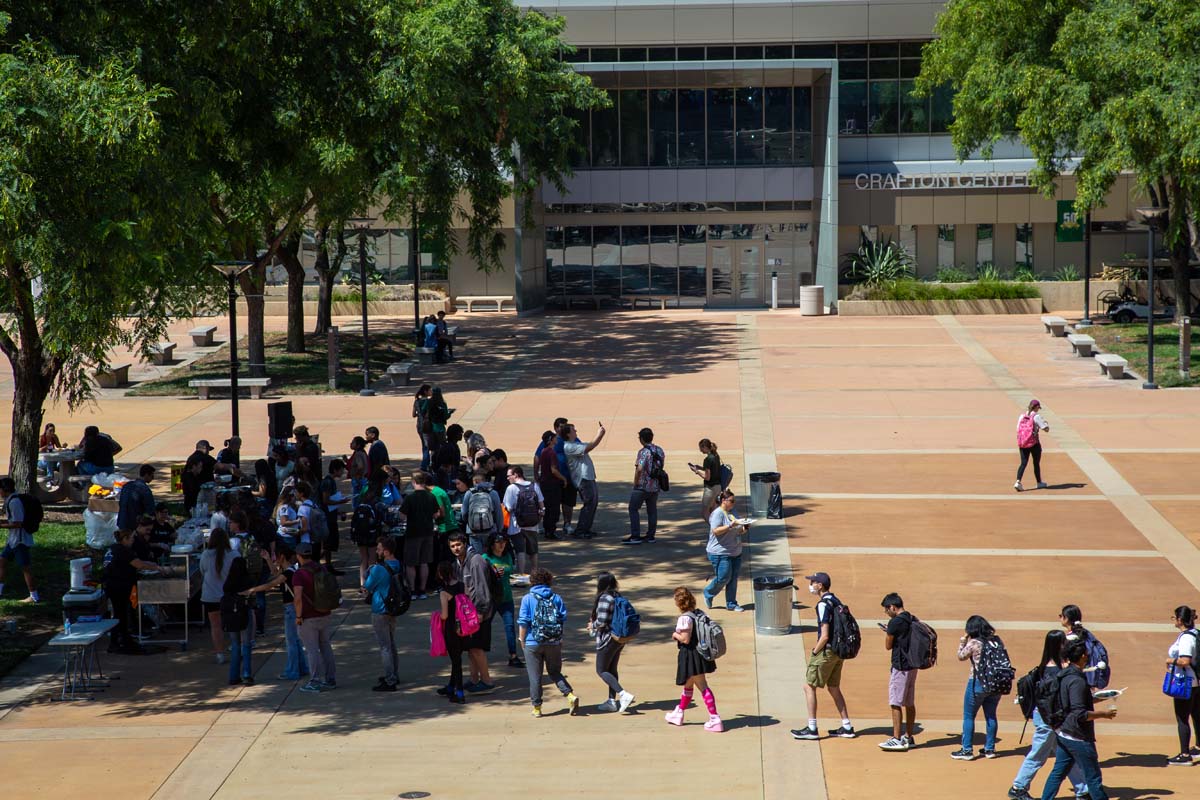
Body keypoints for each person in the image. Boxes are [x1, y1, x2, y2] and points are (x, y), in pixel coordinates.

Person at [1008, 630, 1086, 800]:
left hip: (1050, 717)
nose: (1067, 644)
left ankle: (1083, 790)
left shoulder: (1048, 666)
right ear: (1058, 645)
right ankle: (1018, 787)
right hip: (1048, 719)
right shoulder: (1055, 669)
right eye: (1064, 642)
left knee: (1066, 753)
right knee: (1039, 753)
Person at [1038, 640, 1117, 800]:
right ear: (1082, 657)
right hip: (1078, 736)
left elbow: (1070, 702)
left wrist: (1095, 699)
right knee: (1093, 778)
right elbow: (1080, 713)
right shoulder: (1077, 680)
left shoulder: (1063, 675)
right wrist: (1104, 714)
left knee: (1058, 772)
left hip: (1063, 732)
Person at [791, 572, 855, 740]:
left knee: (809, 687)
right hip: (838, 652)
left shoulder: (822, 605)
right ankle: (846, 726)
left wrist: (814, 652)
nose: (810, 585)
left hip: (826, 651)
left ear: (820, 585)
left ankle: (812, 728)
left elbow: (825, 635)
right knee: (833, 687)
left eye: (813, 582)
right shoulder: (836, 600)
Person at [242, 542, 309, 681]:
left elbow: (270, 584)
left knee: (291, 642)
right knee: (295, 641)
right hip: (291, 609)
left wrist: (251, 590)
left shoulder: (288, 573)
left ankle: (292, 671)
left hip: (290, 610)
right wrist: (266, 559)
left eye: (275, 556)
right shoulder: (289, 570)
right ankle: (302, 668)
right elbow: (274, 574)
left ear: (282, 557)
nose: (274, 558)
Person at [517, 567, 578, 718]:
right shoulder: (556, 598)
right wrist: (559, 638)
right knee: (555, 672)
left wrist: (522, 639)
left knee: (535, 677)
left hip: (533, 642)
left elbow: (523, 622)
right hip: (553, 641)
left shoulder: (527, 598)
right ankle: (570, 696)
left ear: (532, 581)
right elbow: (561, 619)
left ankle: (537, 708)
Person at [665, 586, 722, 732]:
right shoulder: (697, 613)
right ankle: (679, 713)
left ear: (678, 603)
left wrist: (675, 635)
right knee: (688, 686)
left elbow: (685, 639)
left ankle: (715, 718)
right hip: (698, 655)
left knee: (702, 686)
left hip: (691, 656)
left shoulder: (684, 618)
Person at [104, 528, 168, 653]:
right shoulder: (123, 550)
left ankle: (122, 638)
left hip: (112, 585)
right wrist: (158, 567)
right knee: (120, 614)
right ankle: (117, 641)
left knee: (120, 613)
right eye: (132, 538)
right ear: (125, 539)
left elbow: (137, 562)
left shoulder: (114, 548)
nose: (133, 540)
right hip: (118, 586)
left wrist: (151, 564)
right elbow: (139, 565)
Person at [951, 614, 1002, 760]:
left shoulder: (974, 643)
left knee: (969, 716)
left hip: (977, 682)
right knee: (991, 715)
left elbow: (961, 656)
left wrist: (962, 641)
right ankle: (989, 749)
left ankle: (967, 750)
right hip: (996, 683)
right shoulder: (996, 641)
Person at [449, 532, 495, 693]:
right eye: (453, 546)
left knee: (477, 648)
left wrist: (481, 612)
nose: (456, 548)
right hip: (468, 614)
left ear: (465, 544)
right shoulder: (457, 563)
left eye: (458, 545)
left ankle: (487, 682)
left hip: (480, 612)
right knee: (469, 648)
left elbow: (482, 588)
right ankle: (474, 679)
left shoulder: (476, 561)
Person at [588, 572, 636, 713]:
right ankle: (611, 701)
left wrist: (592, 626)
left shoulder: (604, 598)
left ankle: (623, 694)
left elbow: (602, 621)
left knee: (601, 670)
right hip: (619, 638)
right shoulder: (617, 596)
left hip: (608, 639)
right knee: (611, 669)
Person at [294, 544, 336, 693]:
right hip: (324, 613)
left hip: (308, 617)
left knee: (312, 650)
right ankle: (330, 679)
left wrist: (298, 616)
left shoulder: (299, 574)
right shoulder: (321, 568)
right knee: (325, 646)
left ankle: (315, 681)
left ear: (299, 556)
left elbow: (298, 597)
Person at [878, 593, 918, 751]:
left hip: (900, 666)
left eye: (886, 610)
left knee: (895, 702)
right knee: (909, 702)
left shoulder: (895, 622)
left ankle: (896, 738)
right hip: (912, 665)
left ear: (892, 607)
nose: (886, 613)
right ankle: (909, 736)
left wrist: (889, 632)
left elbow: (888, 645)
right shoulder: (912, 618)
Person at [364, 535, 403, 692]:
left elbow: (367, 586)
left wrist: (369, 572)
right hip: (393, 608)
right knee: (392, 644)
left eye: (379, 549)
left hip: (380, 609)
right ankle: (394, 674)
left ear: (386, 552)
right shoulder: (398, 564)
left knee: (385, 647)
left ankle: (390, 678)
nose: (377, 551)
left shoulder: (378, 569)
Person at [703, 489, 748, 612]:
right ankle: (708, 592)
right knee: (723, 577)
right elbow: (716, 531)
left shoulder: (733, 512)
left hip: (735, 551)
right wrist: (730, 526)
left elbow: (739, 530)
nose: (733, 503)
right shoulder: (718, 513)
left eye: (734, 501)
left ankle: (731, 603)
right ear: (723, 501)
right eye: (731, 501)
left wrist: (744, 527)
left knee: (733, 579)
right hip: (719, 553)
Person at [1166, 605, 1200, 766]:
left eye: (1174, 617)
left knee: (1182, 719)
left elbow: (1185, 661)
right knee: (1196, 714)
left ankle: (1185, 754)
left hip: (1185, 683)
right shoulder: (1196, 634)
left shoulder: (1186, 638)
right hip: (1196, 682)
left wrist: (1170, 661)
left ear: (1180, 620)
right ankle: (1198, 747)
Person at [483, 533, 522, 668]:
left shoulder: (507, 556)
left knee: (510, 627)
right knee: (485, 626)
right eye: (498, 542)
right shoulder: (485, 558)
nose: (501, 545)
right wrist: (493, 574)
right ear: (492, 544)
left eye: (504, 542)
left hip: (506, 598)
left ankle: (513, 656)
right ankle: (480, 653)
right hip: (491, 599)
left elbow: (510, 571)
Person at [399, 471, 441, 598]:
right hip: (428, 532)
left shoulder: (410, 498)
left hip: (413, 533)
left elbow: (402, 516)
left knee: (411, 563)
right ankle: (422, 590)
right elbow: (436, 514)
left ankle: (412, 590)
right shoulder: (431, 496)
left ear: (413, 482)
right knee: (424, 562)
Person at [563, 421, 605, 538]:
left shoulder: (574, 444)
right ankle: (581, 530)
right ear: (568, 434)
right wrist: (600, 434)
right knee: (589, 502)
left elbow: (588, 446)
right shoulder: (568, 446)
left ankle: (586, 528)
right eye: (573, 430)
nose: (576, 431)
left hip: (588, 477)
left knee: (593, 503)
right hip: (583, 478)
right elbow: (589, 447)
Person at [199, 528, 236, 663]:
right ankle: (236, 648)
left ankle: (219, 653)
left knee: (215, 625)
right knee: (233, 624)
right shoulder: (233, 554)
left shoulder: (206, 555)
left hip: (210, 596)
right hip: (229, 595)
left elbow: (202, 570)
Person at [221, 549, 256, 685]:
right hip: (244, 613)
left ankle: (233, 675)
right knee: (246, 644)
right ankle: (247, 674)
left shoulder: (228, 584)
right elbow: (252, 598)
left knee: (235, 645)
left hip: (230, 615)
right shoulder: (248, 581)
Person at [0, 479, 37, 604]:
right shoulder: (11, 500)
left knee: (25, 568)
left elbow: (18, 523)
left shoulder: (14, 502)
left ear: (5, 490)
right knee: (1, 563)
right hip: (13, 540)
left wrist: (2, 526)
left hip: (20, 541)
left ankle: (34, 596)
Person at [436, 560, 468, 704]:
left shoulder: (444, 593)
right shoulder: (462, 585)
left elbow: (444, 615)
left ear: (441, 575)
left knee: (456, 662)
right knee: (457, 658)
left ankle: (459, 693)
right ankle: (450, 687)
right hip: (464, 627)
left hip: (451, 629)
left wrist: (436, 616)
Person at [626, 427, 665, 544]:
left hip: (642, 486)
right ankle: (651, 535)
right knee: (652, 511)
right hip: (655, 486)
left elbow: (639, 469)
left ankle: (635, 536)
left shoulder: (643, 452)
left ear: (642, 439)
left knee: (633, 509)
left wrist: (635, 482)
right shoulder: (659, 450)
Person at [502, 465, 544, 574]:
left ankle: (521, 574)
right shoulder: (534, 486)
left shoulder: (511, 488)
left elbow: (509, 507)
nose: (507, 478)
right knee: (533, 550)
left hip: (516, 525)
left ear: (515, 475)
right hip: (533, 524)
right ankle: (534, 572)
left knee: (520, 550)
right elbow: (541, 504)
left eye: (509, 476)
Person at [461, 469, 503, 556]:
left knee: (477, 556)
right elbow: (498, 513)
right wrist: (499, 529)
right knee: (490, 556)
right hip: (490, 529)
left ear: (474, 481)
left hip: (473, 531)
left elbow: (464, 513)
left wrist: (469, 523)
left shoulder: (469, 493)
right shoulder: (493, 493)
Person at [536, 430, 565, 540]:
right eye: (554, 438)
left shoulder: (544, 451)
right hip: (552, 485)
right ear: (551, 440)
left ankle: (547, 529)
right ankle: (551, 531)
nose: (556, 439)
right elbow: (553, 470)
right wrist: (563, 478)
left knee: (547, 508)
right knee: (554, 509)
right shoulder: (551, 452)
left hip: (545, 484)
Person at [1015, 399, 1050, 492]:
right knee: (1036, 463)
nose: (1039, 409)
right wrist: (1046, 424)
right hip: (1034, 443)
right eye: (1038, 407)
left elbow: (1018, 429)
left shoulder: (1022, 416)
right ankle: (1039, 482)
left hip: (1023, 443)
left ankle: (1018, 482)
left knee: (1023, 463)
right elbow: (1046, 429)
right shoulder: (1036, 416)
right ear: (1036, 407)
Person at [318, 459, 345, 575]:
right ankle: (325, 564)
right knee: (328, 543)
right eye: (341, 470)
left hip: (331, 515)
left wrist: (338, 512)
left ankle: (327, 564)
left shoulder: (330, 481)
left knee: (330, 543)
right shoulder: (328, 482)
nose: (342, 472)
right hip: (327, 517)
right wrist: (341, 501)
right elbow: (326, 500)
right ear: (335, 470)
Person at [690, 439, 723, 522]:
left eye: (701, 448)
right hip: (718, 487)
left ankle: (716, 530)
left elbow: (707, 477)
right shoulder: (715, 455)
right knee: (714, 512)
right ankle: (719, 529)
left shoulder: (707, 459)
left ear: (705, 447)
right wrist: (700, 467)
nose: (700, 450)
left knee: (705, 513)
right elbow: (712, 469)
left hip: (710, 489)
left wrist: (697, 472)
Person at [116, 464, 156, 533]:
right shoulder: (145, 489)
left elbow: (121, 503)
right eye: (152, 475)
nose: (153, 478)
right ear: (146, 475)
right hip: (135, 525)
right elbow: (150, 510)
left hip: (122, 522)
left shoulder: (126, 486)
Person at [412, 384, 433, 471]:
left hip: (419, 425)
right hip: (427, 426)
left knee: (424, 445)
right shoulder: (428, 402)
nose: (431, 392)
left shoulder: (416, 401)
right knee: (427, 446)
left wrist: (419, 414)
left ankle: (426, 463)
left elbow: (413, 414)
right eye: (430, 390)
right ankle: (424, 465)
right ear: (425, 391)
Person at [347, 436, 370, 509]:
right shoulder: (362, 452)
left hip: (358, 480)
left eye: (353, 442)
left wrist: (357, 475)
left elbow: (360, 466)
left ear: (358, 445)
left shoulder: (358, 454)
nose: (351, 444)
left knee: (356, 499)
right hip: (362, 479)